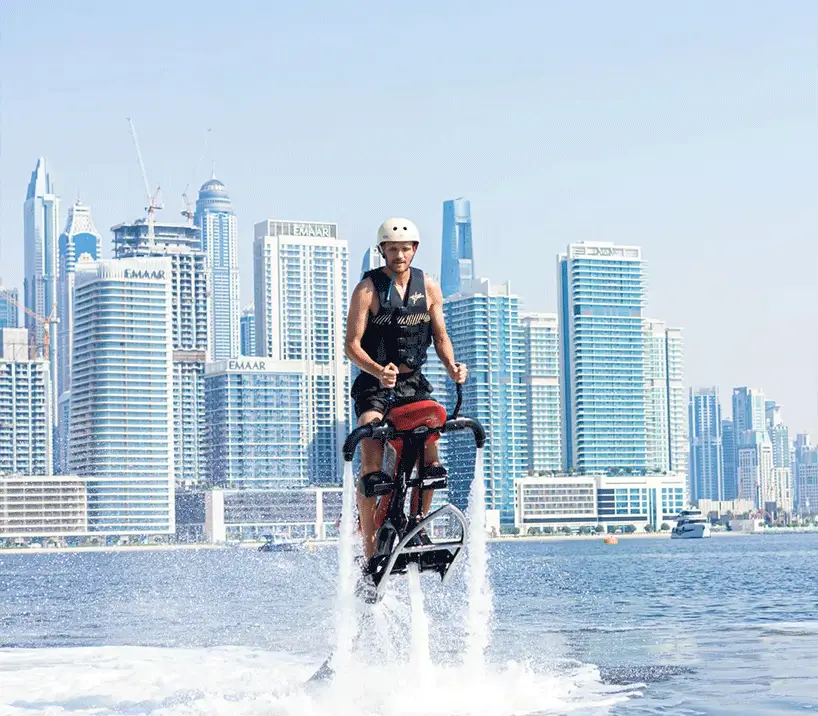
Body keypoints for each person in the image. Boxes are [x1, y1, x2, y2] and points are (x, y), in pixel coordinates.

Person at [344, 217, 468, 570]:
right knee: (371, 468)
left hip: (414, 385)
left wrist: (452, 365)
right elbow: (351, 346)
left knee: (430, 457)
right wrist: (378, 371)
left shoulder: (428, 286)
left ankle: (417, 526)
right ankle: (369, 551)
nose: (399, 254)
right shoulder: (367, 289)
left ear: (414, 250)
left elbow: (441, 337)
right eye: (392, 248)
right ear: (382, 250)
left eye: (405, 248)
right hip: (375, 385)